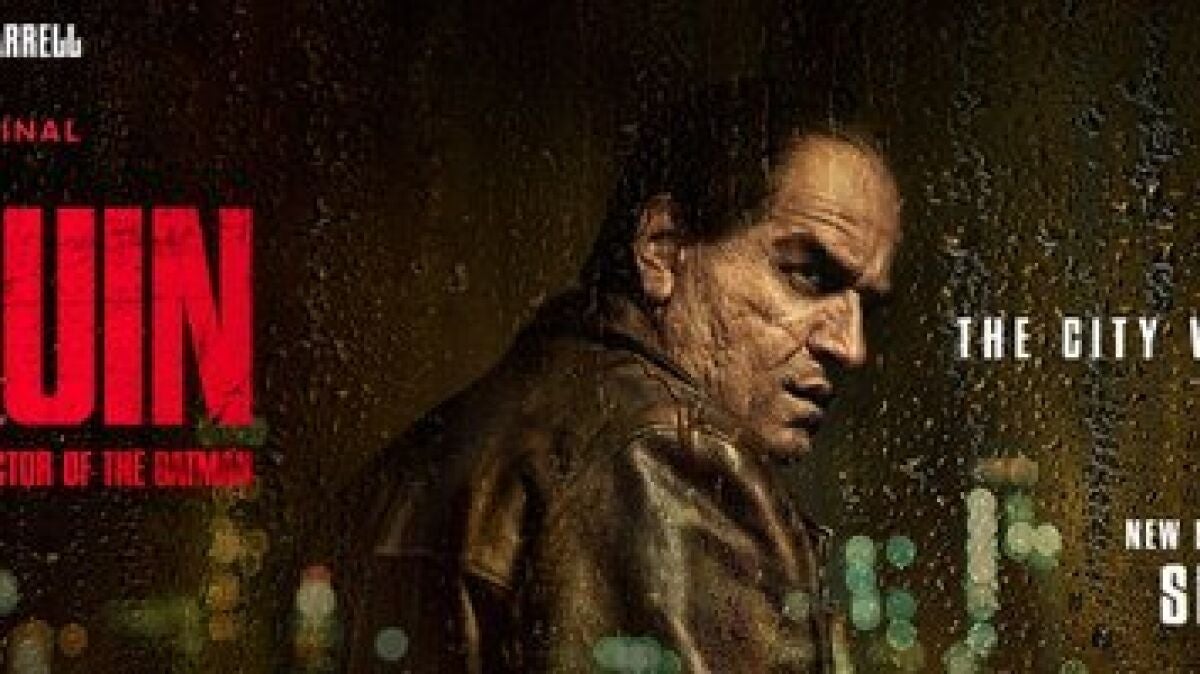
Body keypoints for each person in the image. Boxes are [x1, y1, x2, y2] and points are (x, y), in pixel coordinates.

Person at [336, 79, 901, 673]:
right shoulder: (662, 457)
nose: (850, 347)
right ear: (662, 247)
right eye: (808, 274)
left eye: (869, 306)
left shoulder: (453, 446)